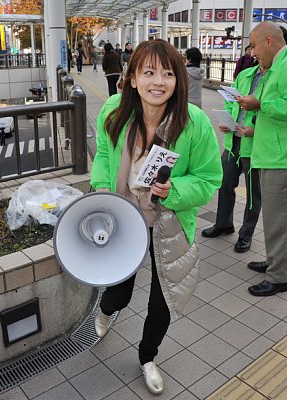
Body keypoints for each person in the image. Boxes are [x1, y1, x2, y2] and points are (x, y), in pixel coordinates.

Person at [90, 39, 222, 395]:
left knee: (163, 303)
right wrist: (102, 187)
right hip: (123, 217)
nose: (158, 82)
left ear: (178, 80)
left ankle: (148, 357)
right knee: (119, 291)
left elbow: (210, 179)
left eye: (167, 73)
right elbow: (104, 152)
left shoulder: (194, 123)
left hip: (170, 223)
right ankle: (105, 311)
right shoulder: (114, 111)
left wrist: (174, 191)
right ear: (132, 78)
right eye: (148, 72)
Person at [237, 21, 287, 296]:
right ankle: (274, 262)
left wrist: (260, 104)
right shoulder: (277, 65)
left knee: (281, 220)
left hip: (283, 157)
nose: (252, 52)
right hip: (271, 153)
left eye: (255, 45)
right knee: (273, 218)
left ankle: (280, 277)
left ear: (270, 40)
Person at [202, 59, 264, 252]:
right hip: (233, 141)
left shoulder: (274, 78)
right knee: (225, 183)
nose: (253, 51)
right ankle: (223, 224)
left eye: (256, 45)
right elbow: (230, 103)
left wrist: (255, 130)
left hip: (255, 145)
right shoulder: (246, 74)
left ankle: (246, 235)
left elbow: (274, 114)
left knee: (253, 193)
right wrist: (226, 121)